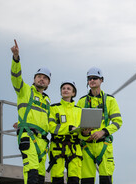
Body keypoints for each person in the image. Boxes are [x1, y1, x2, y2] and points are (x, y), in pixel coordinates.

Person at [11, 39, 51, 184]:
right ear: (34, 79)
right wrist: (16, 58)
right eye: (39, 77)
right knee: (32, 172)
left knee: (40, 176)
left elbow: (49, 122)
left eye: (45, 78)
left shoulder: (47, 101)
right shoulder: (25, 91)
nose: (42, 79)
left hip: (43, 141)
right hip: (28, 136)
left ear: (48, 83)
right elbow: (16, 77)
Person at [76, 67, 123, 184]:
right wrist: (84, 133)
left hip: (104, 145)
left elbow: (118, 122)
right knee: (86, 180)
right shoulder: (81, 102)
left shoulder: (110, 100)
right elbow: (76, 125)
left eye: (95, 78)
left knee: (106, 180)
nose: (92, 80)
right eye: (89, 78)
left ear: (101, 80)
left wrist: (103, 131)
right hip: (86, 146)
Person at [48, 80, 85, 184]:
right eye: (63, 88)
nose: (65, 90)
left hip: (75, 147)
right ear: (60, 92)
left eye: (69, 89)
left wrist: (86, 133)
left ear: (73, 93)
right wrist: (68, 129)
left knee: (74, 179)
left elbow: (82, 130)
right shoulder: (53, 108)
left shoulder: (80, 110)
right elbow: (51, 127)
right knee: (56, 178)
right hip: (57, 147)